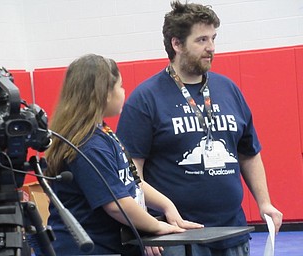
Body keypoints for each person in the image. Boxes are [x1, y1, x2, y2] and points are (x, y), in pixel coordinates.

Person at [116, 1, 283, 256]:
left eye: (214, 38)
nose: (211, 48)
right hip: (177, 235)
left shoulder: (229, 90)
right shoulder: (145, 99)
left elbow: (248, 153)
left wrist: (264, 202)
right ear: (177, 44)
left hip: (231, 232)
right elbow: (131, 173)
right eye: (202, 40)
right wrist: (147, 226)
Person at [44, 53, 202, 256]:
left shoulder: (102, 133)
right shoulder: (88, 145)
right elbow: (117, 205)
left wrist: (166, 205)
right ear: (105, 93)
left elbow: (129, 181)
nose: (123, 91)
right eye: (120, 86)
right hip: (90, 249)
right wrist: (155, 226)